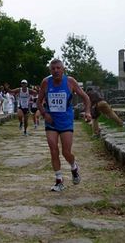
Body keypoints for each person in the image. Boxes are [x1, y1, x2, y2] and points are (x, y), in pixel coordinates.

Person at [37, 59, 91, 192]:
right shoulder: (46, 82)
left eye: (58, 68)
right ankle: (59, 180)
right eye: (53, 69)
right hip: (51, 121)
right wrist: (45, 113)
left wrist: (88, 111)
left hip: (66, 120)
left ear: (63, 69)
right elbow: (38, 102)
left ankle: (74, 167)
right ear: (50, 71)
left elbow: (86, 98)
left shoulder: (70, 82)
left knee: (66, 152)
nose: (55, 71)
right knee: (53, 149)